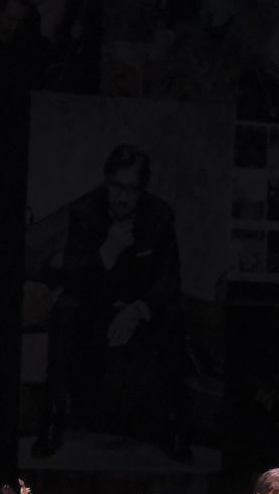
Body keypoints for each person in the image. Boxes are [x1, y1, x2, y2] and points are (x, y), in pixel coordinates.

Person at [30, 143, 189, 461]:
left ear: (141, 190)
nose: (121, 197)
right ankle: (52, 419)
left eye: (130, 190)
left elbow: (168, 279)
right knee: (65, 309)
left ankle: (175, 428)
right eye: (116, 186)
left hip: (136, 308)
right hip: (96, 304)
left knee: (173, 313)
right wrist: (106, 254)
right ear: (107, 181)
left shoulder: (159, 216)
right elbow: (74, 274)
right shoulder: (86, 211)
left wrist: (139, 309)